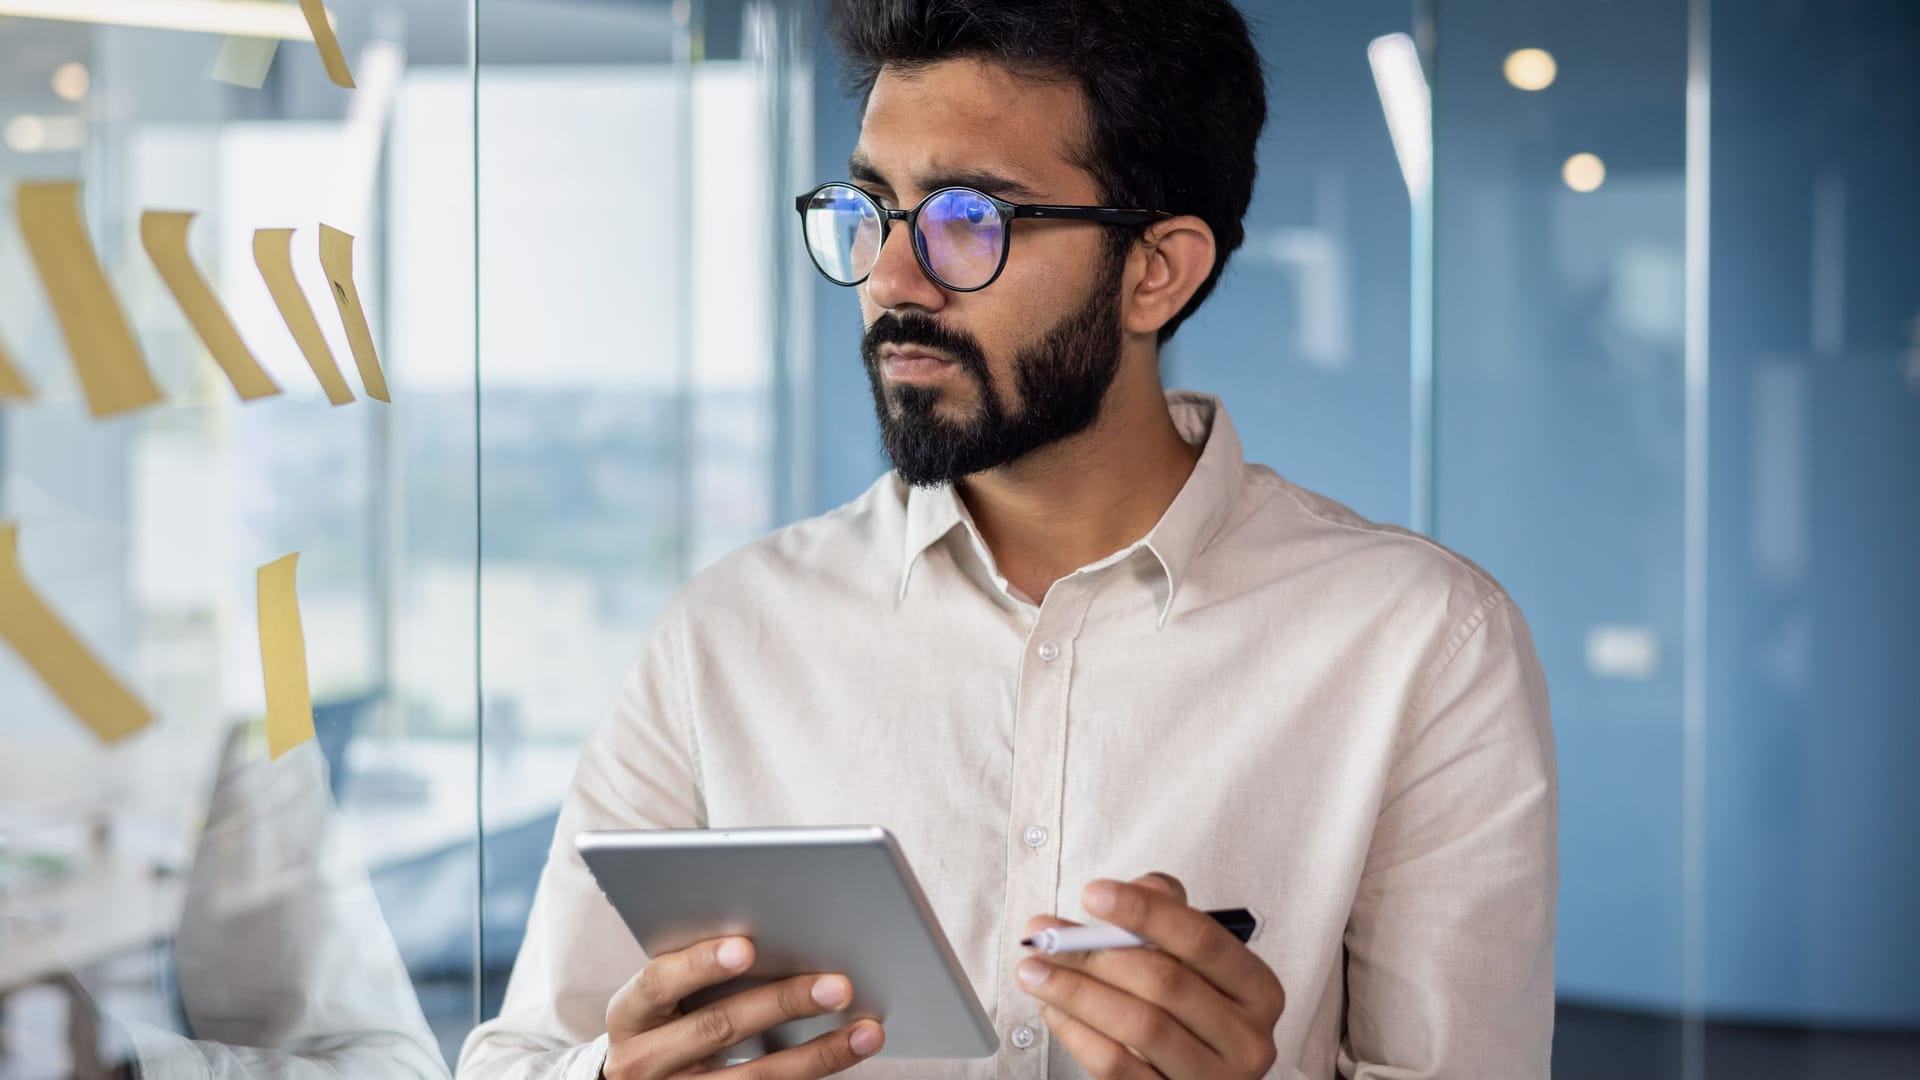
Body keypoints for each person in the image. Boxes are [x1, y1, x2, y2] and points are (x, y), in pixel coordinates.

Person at [458, 1, 1557, 1077]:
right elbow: (520, 1056)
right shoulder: (731, 632)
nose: (890, 279)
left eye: (967, 221)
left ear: (1157, 270)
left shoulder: (1425, 645)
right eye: (873, 209)